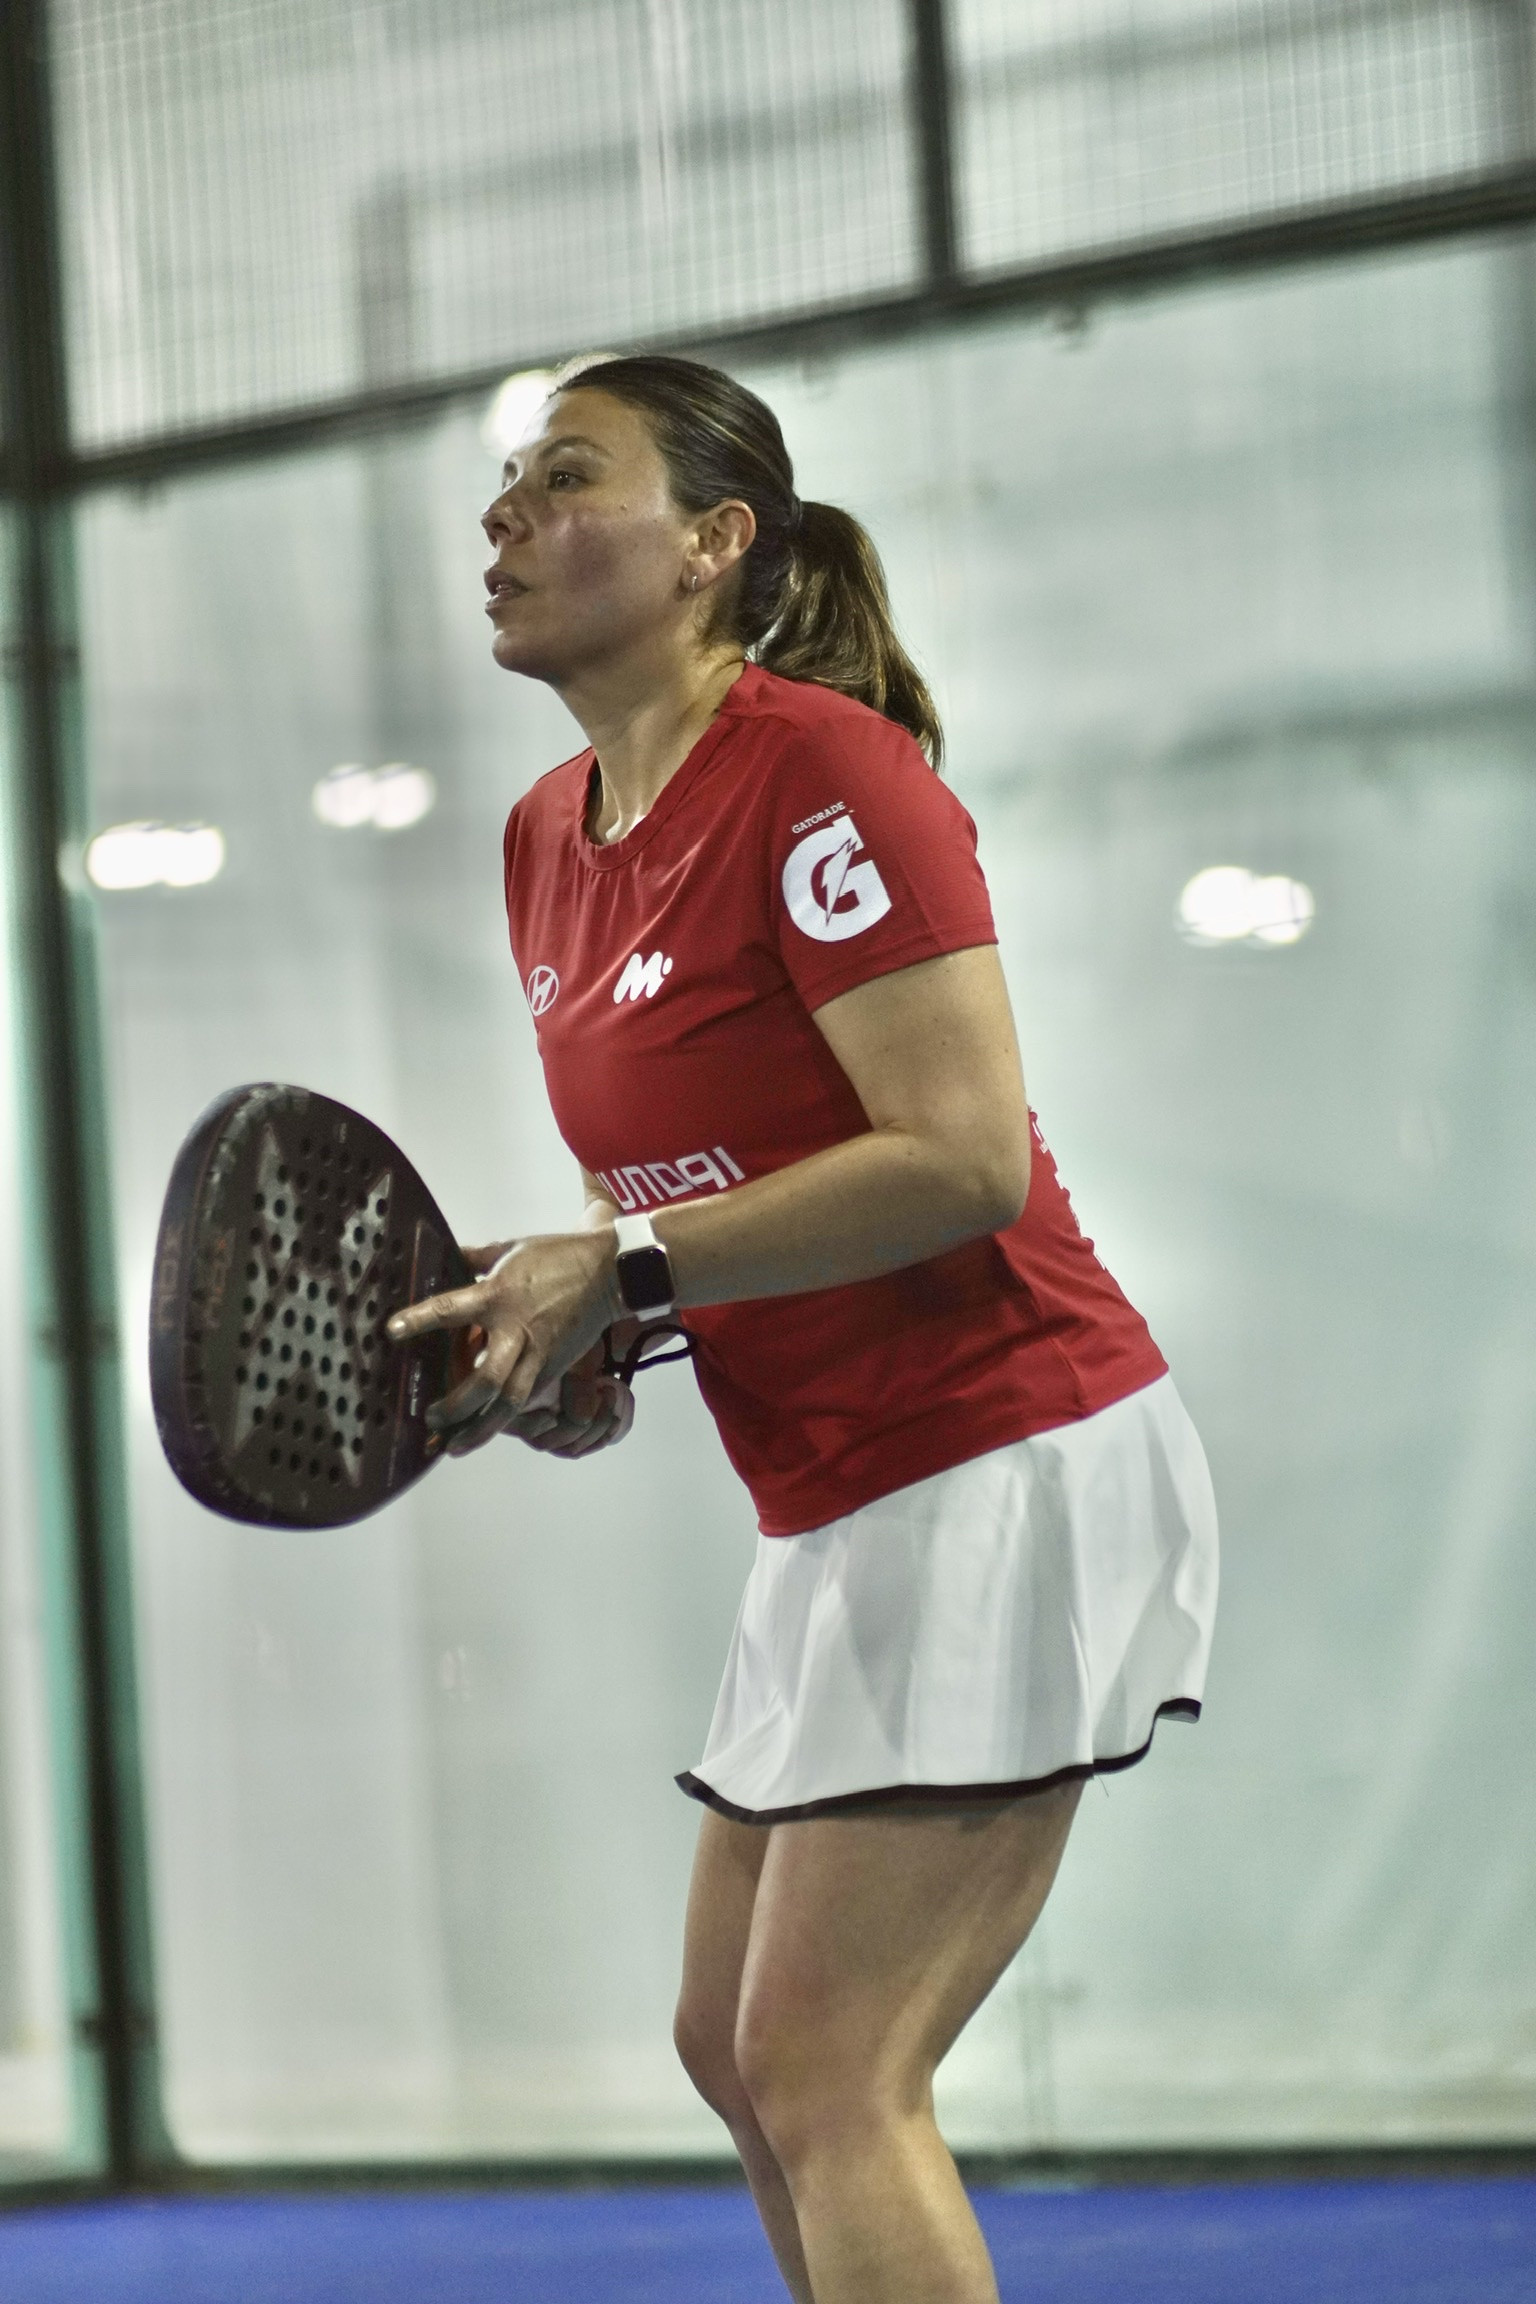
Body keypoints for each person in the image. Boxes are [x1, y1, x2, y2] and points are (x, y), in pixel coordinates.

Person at [387, 353, 1218, 2304]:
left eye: (566, 479)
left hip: (1010, 1451)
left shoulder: (827, 773)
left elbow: (962, 1159)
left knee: (833, 2067)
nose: (505, 517)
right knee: (736, 2050)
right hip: (834, 1498)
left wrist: (625, 1269)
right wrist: (589, 1338)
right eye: (505, 483)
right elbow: (703, 1196)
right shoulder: (543, 837)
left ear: (713, 544)